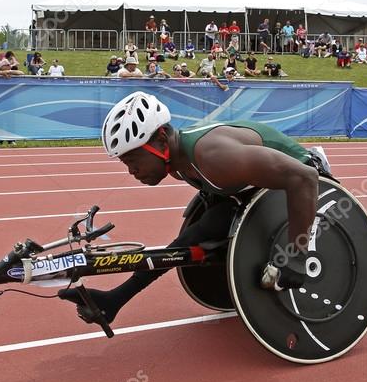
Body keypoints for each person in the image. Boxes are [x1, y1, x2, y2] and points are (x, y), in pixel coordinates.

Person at [57, 92, 324, 326]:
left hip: (306, 183)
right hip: (253, 190)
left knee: (203, 230)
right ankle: (115, 300)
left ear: (162, 141)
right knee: (191, 238)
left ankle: (116, 299)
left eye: (133, 160)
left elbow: (304, 178)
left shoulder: (213, 156)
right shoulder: (176, 164)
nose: (132, 171)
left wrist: (298, 256)